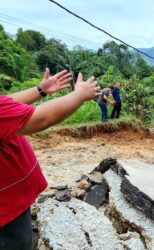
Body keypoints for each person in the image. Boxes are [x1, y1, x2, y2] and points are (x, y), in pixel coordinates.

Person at [0, 69, 100, 250]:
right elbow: (43, 118)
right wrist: (79, 95)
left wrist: (40, 90)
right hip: (6, 214)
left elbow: (6, 103)